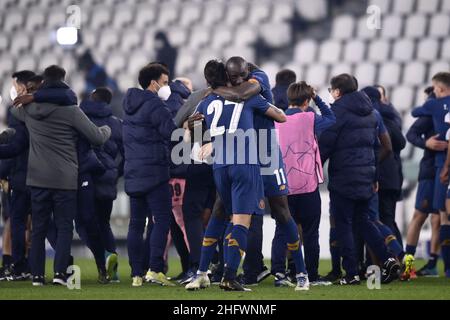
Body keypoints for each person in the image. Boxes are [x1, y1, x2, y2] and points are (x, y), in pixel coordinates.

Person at [186, 59, 288, 292]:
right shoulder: (249, 95)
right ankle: (229, 277)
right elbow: (281, 117)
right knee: (242, 221)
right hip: (245, 163)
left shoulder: (208, 100)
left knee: (218, 215)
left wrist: (204, 140)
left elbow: (194, 133)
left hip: (220, 166)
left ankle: (201, 273)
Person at [210, 57, 309, 290]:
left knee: (282, 213)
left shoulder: (258, 77)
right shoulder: (229, 88)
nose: (233, 80)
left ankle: (299, 272)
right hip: (242, 160)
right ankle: (242, 271)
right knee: (236, 215)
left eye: (236, 76)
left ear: (244, 71)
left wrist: (213, 89)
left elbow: (244, 92)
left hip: (267, 158)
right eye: (229, 77)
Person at [11, 65, 111, 286]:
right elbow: (97, 138)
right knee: (65, 227)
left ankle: (37, 276)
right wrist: (108, 129)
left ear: (44, 83)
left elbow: (12, 110)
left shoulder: (29, 109)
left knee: (38, 228)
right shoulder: (71, 111)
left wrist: (31, 96)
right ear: (64, 81)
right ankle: (60, 274)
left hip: (37, 178)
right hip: (65, 178)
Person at [319, 74, 400, 285]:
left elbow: (325, 145)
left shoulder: (335, 112)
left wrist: (313, 169)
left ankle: (351, 273)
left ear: (337, 91)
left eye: (331, 90)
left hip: (344, 176)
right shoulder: (372, 112)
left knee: (343, 224)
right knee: (365, 222)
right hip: (366, 176)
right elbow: (380, 146)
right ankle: (389, 259)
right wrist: (373, 175)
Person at [272, 81, 335, 286]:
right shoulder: (310, 118)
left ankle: (280, 274)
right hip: (307, 185)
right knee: (310, 232)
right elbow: (331, 119)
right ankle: (312, 275)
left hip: (282, 185)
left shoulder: (276, 118)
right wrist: (318, 98)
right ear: (307, 101)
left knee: (282, 231)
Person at [122, 63, 177, 287]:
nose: (167, 87)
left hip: (133, 172)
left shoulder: (129, 106)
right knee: (161, 221)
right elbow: (171, 134)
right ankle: (155, 269)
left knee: (135, 224)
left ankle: (136, 273)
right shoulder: (155, 105)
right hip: (154, 172)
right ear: (154, 83)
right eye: (165, 82)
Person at [0, 71, 36, 281]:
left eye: (15, 85)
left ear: (23, 87)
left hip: (21, 177)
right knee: (34, 224)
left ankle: (16, 265)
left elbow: (15, 147)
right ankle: (29, 265)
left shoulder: (20, 115)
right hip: (39, 176)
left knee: (16, 222)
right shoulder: (41, 111)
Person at [404, 87, 443, 277]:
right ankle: (408, 264)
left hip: (444, 170)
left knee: (439, 218)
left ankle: (433, 264)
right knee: (420, 215)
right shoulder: (430, 114)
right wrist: (426, 143)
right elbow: (411, 134)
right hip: (429, 171)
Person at [416, 72, 450, 278]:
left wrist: (446, 167)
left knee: (444, 216)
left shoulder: (439, 107)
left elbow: (414, 112)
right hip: (440, 165)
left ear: (439, 89)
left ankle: (447, 269)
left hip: (442, 166)